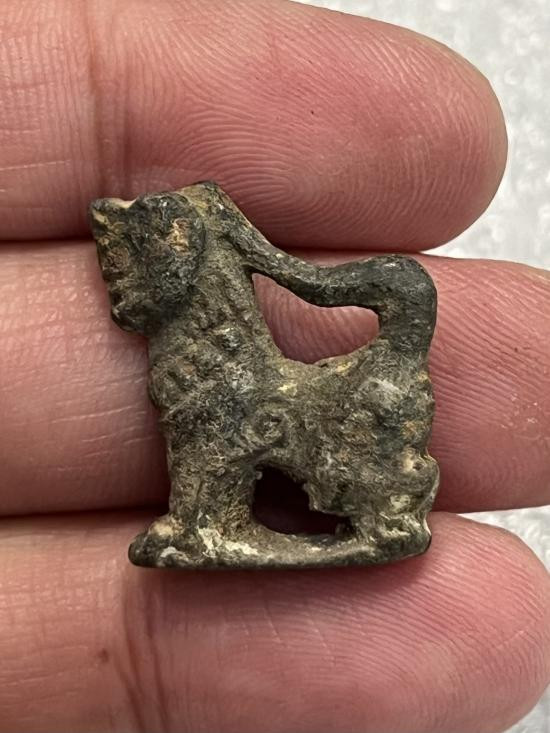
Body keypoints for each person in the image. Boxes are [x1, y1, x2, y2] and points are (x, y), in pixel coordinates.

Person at [0, 1, 548, 732]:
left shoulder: (203, 251)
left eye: (132, 263)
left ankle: (365, 521)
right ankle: (204, 521)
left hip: (324, 393)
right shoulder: (204, 290)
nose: (121, 286)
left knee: (312, 442)